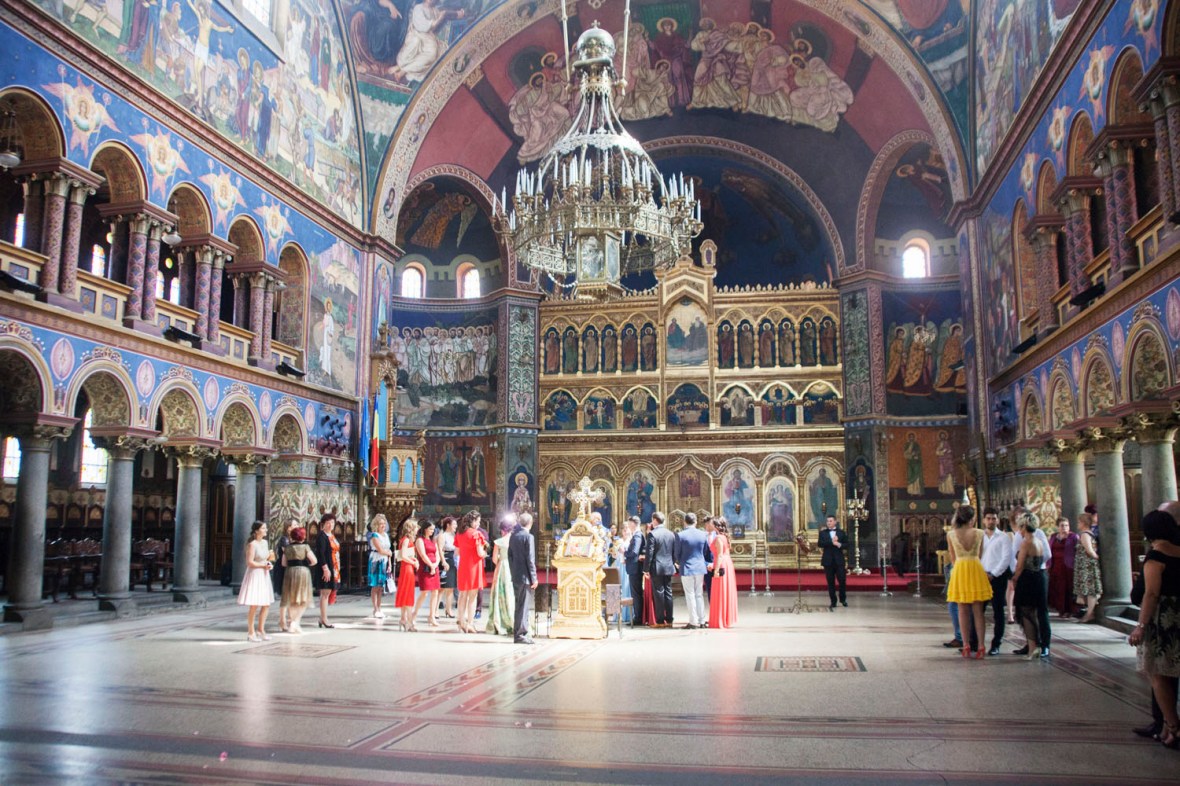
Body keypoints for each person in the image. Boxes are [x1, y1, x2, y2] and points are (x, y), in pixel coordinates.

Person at [1129, 508, 1180, 749]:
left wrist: (1140, 626)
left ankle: (1174, 727)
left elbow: (1151, 593)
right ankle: (1167, 727)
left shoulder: (1156, 556)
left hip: (1162, 621)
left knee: (1157, 675)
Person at [945, 505, 992, 659]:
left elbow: (952, 557)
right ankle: (981, 646)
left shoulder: (951, 534)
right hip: (975, 568)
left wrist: (960, 566)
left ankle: (966, 645)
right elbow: (980, 554)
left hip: (960, 569)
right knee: (978, 611)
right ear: (972, 518)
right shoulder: (980, 533)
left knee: (962, 610)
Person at [1011, 514, 1051, 659]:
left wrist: (1014, 579)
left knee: (1026, 614)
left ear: (1024, 527)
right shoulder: (1039, 541)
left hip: (1027, 579)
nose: (1019, 531)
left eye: (1020, 528)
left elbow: (1020, 566)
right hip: (1039, 577)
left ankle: (1033, 648)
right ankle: (1038, 645)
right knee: (1035, 613)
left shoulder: (1026, 543)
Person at [980, 507, 1012, 655]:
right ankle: (975, 642)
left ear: (997, 520)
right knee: (978, 610)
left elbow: (1006, 559)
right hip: (981, 577)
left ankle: (996, 644)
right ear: (984, 520)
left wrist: (993, 574)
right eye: (988, 518)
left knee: (998, 611)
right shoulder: (980, 536)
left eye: (993, 518)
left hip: (998, 578)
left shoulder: (1003, 537)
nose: (991, 521)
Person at [237, 521, 274, 642]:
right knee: (254, 604)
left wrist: (268, 563)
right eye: (263, 528)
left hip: (264, 574)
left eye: (265, 528)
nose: (266, 530)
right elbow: (249, 562)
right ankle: (251, 632)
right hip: (255, 574)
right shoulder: (252, 545)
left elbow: (265, 558)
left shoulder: (265, 542)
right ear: (257, 531)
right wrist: (263, 566)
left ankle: (261, 630)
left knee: (266, 604)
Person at [673, 512, 711, 629]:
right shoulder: (703, 535)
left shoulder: (680, 535)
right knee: (699, 594)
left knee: (690, 594)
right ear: (696, 522)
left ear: (685, 521)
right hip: (700, 567)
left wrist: (679, 561)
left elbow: (677, 553)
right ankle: (702, 620)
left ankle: (693, 621)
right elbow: (705, 551)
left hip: (687, 567)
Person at [508, 512, 538, 645]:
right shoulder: (528, 537)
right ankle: (520, 635)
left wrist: (513, 572)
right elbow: (530, 559)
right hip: (525, 577)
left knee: (519, 605)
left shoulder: (513, 536)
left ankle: (519, 633)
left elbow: (510, 556)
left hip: (516, 576)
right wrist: (534, 578)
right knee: (523, 606)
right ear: (530, 523)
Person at [455, 510, 487, 633]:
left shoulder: (459, 533)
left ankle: (461, 622)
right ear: (472, 521)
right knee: (472, 597)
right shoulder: (476, 534)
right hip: (474, 566)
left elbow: (457, 552)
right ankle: (470, 623)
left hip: (463, 566)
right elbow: (480, 553)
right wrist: (484, 553)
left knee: (462, 595)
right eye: (478, 521)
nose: (478, 524)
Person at [280, 526, 317, 634]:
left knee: (292, 599)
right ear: (303, 536)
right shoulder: (305, 547)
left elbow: (283, 563)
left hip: (290, 572)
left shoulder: (287, 548)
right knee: (303, 599)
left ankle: (294, 623)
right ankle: (295, 622)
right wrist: (306, 564)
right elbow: (314, 561)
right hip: (302, 572)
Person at [485, 519, 516, 636]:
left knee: (500, 592)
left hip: (502, 567)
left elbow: (494, 559)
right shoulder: (514, 540)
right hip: (512, 567)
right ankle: (512, 618)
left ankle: (499, 619)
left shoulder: (499, 542)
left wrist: (500, 558)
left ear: (502, 530)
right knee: (511, 593)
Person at [646, 511, 676, 627]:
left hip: (657, 567)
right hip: (668, 566)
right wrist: (672, 563)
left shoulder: (653, 534)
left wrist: (646, 569)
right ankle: (669, 620)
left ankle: (660, 621)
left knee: (659, 593)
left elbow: (649, 553)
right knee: (668, 592)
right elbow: (674, 552)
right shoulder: (671, 534)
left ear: (655, 520)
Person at [708, 516, 738, 629]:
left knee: (720, 590)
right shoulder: (725, 536)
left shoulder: (719, 538)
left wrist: (716, 570)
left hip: (721, 564)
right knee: (724, 590)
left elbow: (720, 555)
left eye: (712, 523)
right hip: (726, 563)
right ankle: (725, 618)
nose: (710, 525)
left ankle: (720, 619)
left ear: (716, 526)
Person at [1074, 512, 1103, 623]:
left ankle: (1089, 614)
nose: (1078, 524)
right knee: (1088, 590)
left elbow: (1090, 551)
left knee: (1090, 590)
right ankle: (1089, 612)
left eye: (1079, 522)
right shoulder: (1088, 533)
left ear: (1084, 523)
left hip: (1087, 566)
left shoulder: (1085, 534)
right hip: (1086, 565)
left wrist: (1096, 558)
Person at [313, 513, 340, 629]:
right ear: (323, 524)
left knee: (327, 593)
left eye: (332, 523)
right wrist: (325, 569)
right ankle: (324, 619)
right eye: (328, 523)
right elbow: (321, 554)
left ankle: (322, 617)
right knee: (325, 593)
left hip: (333, 566)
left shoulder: (331, 535)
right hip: (326, 568)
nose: (330, 525)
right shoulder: (322, 536)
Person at [413, 519, 442, 628]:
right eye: (430, 529)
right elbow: (422, 555)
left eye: (433, 529)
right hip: (425, 568)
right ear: (425, 529)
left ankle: (432, 616)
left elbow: (437, 553)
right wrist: (431, 565)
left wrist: (436, 564)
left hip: (434, 567)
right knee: (424, 592)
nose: (432, 531)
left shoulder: (432, 540)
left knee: (435, 592)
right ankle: (414, 614)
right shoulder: (420, 540)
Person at [1048, 517, 1079, 617]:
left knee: (1068, 587)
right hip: (1055, 565)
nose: (1064, 528)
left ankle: (1069, 610)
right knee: (1057, 588)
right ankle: (1060, 609)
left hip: (1068, 566)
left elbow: (1078, 550)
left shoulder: (1073, 537)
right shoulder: (1053, 537)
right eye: (1062, 525)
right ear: (1058, 527)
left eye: (1066, 525)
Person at [394, 519, 420, 631]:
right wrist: (413, 562)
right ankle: (409, 622)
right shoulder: (406, 540)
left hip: (408, 568)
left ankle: (403, 619)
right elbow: (403, 556)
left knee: (406, 594)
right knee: (408, 595)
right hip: (407, 569)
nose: (417, 529)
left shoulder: (407, 540)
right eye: (415, 527)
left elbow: (408, 556)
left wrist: (414, 560)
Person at [818, 514, 848, 610]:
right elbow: (820, 544)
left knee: (842, 580)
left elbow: (847, 545)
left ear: (835, 522)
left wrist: (838, 544)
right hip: (828, 561)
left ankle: (843, 599)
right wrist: (831, 542)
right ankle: (833, 601)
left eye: (831, 521)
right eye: (827, 521)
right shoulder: (823, 533)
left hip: (839, 561)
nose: (829, 523)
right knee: (830, 582)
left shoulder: (841, 532)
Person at [367, 514, 393, 620]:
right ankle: (375, 609)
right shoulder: (375, 535)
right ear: (376, 525)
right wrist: (389, 553)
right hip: (376, 561)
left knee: (381, 587)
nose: (383, 526)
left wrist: (389, 564)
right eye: (380, 524)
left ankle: (379, 608)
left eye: (384, 524)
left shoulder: (385, 535)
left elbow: (388, 550)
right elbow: (381, 550)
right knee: (375, 585)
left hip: (384, 560)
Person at [272, 518, 296, 632]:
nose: (297, 526)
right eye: (294, 525)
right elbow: (288, 552)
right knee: (285, 597)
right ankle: (282, 620)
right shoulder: (284, 539)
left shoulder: (293, 539)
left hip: (291, 567)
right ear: (288, 528)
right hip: (283, 568)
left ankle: (291, 620)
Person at [623, 515, 645, 626]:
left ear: (633, 524)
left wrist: (624, 553)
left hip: (635, 568)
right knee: (636, 593)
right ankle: (638, 616)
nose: (628, 526)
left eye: (629, 524)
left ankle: (638, 618)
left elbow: (634, 552)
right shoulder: (637, 535)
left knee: (636, 594)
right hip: (634, 568)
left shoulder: (637, 536)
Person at [438, 516, 458, 618]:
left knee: (451, 587)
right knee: (442, 587)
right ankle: (436, 610)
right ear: (448, 525)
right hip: (445, 559)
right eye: (454, 524)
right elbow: (440, 549)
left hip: (453, 560)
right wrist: (443, 561)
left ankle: (448, 609)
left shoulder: (454, 535)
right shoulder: (442, 535)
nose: (456, 526)